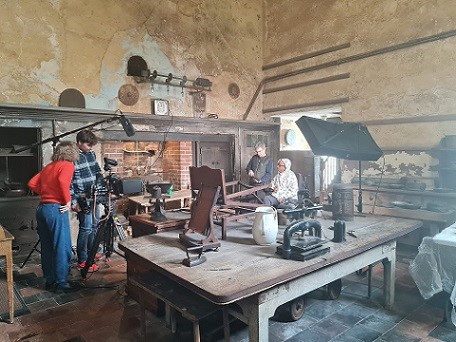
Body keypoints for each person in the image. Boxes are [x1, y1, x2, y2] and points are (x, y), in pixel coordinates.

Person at [28, 141, 81, 293]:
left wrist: (45, 193)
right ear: (72, 152)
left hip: (42, 209)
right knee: (62, 247)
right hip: (55, 209)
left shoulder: (49, 167)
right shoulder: (67, 165)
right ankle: (62, 283)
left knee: (47, 247)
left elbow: (31, 183)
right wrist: (68, 201)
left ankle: (50, 280)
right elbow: (62, 181)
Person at [70, 130, 103, 272]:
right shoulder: (72, 157)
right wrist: (73, 202)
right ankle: (83, 260)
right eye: (88, 144)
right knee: (86, 228)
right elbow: (69, 183)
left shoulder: (91, 154)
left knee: (94, 225)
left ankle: (91, 252)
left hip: (94, 196)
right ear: (79, 143)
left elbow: (97, 170)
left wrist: (101, 184)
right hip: (82, 198)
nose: (90, 147)